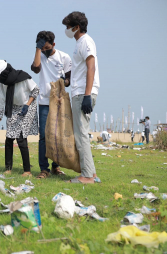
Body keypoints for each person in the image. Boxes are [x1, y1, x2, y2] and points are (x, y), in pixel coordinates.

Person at [62, 11, 100, 184]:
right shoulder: (79, 43)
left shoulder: (85, 41)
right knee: (82, 133)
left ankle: (86, 176)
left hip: (83, 93)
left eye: (68, 27)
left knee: (81, 135)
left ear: (77, 27)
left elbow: (91, 68)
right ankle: (91, 174)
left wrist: (86, 94)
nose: (67, 30)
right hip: (79, 92)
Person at [31, 30, 71, 179]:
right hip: (44, 101)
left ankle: (56, 166)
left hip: (59, 101)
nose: (45, 51)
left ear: (54, 44)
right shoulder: (40, 55)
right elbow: (35, 68)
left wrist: (63, 81)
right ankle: (44, 169)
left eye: (47, 48)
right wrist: (37, 49)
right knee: (43, 136)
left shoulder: (64, 57)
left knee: (57, 135)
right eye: (43, 48)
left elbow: (69, 79)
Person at [0, 60, 39, 177]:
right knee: (9, 137)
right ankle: (8, 169)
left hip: (28, 105)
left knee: (21, 137)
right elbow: (0, 104)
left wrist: (27, 105)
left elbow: (35, 90)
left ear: (5, 72)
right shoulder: (1, 84)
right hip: (14, 107)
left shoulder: (23, 78)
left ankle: (27, 171)